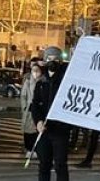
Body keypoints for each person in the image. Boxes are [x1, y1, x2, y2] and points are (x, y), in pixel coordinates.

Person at [29, 49, 70, 181]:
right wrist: (38, 122)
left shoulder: (66, 80)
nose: (52, 61)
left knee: (60, 165)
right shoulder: (42, 81)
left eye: (56, 58)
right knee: (44, 165)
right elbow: (35, 105)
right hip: (44, 130)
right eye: (49, 58)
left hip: (60, 130)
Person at [19, 58, 40, 154]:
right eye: (34, 71)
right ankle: (28, 148)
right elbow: (23, 96)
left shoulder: (43, 82)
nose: (35, 73)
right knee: (27, 130)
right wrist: (24, 107)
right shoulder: (27, 82)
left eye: (37, 71)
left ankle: (34, 149)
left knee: (36, 130)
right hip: (28, 109)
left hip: (38, 110)